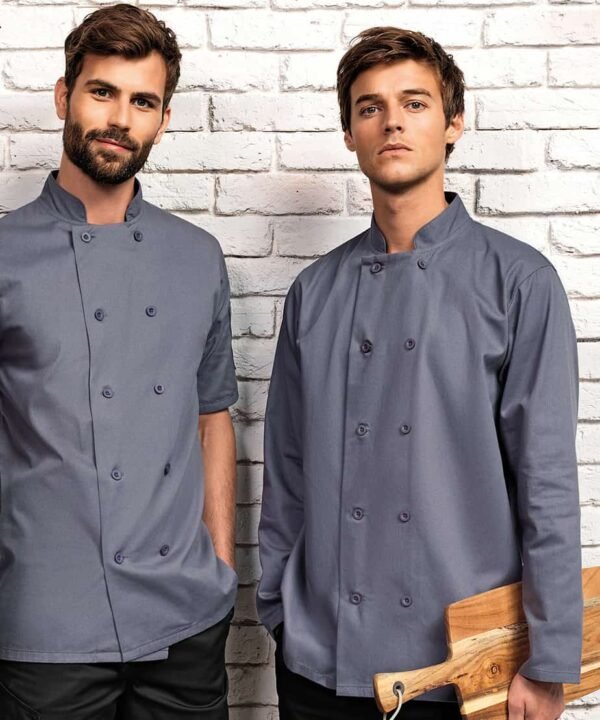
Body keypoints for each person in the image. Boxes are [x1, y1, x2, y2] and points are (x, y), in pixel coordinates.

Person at [257, 26, 582, 720]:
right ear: (350, 133)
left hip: (462, 670)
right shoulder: (314, 291)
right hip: (320, 664)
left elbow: (547, 479)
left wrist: (552, 658)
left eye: (414, 103)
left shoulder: (520, 282)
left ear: (453, 122)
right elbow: (285, 469)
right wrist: (279, 607)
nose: (392, 122)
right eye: (370, 107)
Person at [0, 5, 238, 718]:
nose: (119, 119)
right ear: (63, 96)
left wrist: (222, 566)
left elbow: (212, 418)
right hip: (44, 627)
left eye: (142, 102)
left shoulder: (197, 257)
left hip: (186, 623)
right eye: (101, 92)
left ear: (162, 120)